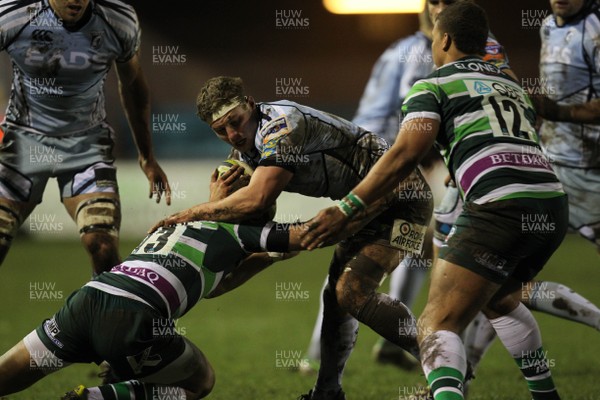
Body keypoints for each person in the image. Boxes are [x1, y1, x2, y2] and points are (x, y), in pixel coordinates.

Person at [302, 3, 568, 400]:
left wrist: (348, 207)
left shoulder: (434, 84)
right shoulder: (511, 85)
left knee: (436, 324)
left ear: (443, 39)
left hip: (498, 207)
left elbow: (405, 154)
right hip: (549, 203)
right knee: (500, 299)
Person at [0, 160, 395, 400]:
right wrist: (362, 206)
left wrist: (265, 257)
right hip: (134, 318)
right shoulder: (239, 233)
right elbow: (309, 232)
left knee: (7, 373)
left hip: (85, 301)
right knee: (198, 383)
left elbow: (212, 282)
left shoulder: (179, 223)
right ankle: (99, 397)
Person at [150, 76, 433, 400]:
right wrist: (217, 204)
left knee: (351, 291)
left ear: (251, 105)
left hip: (407, 199)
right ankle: (327, 392)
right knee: (336, 296)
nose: (232, 135)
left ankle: (445, 366)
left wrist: (185, 215)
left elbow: (256, 200)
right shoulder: (243, 150)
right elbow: (241, 211)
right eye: (220, 130)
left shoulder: (281, 126)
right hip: (364, 207)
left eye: (235, 122)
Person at [0, 0, 171, 275]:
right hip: (23, 145)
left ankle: (109, 316)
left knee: (102, 246)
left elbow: (133, 87)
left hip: (87, 147)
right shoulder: (12, 14)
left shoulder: (118, 19)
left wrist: (147, 156)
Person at [533, 0, 600, 252]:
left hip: (588, 168)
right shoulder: (547, 25)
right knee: (510, 248)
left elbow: (558, 106)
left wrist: (561, 112)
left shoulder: (595, 29)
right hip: (548, 161)